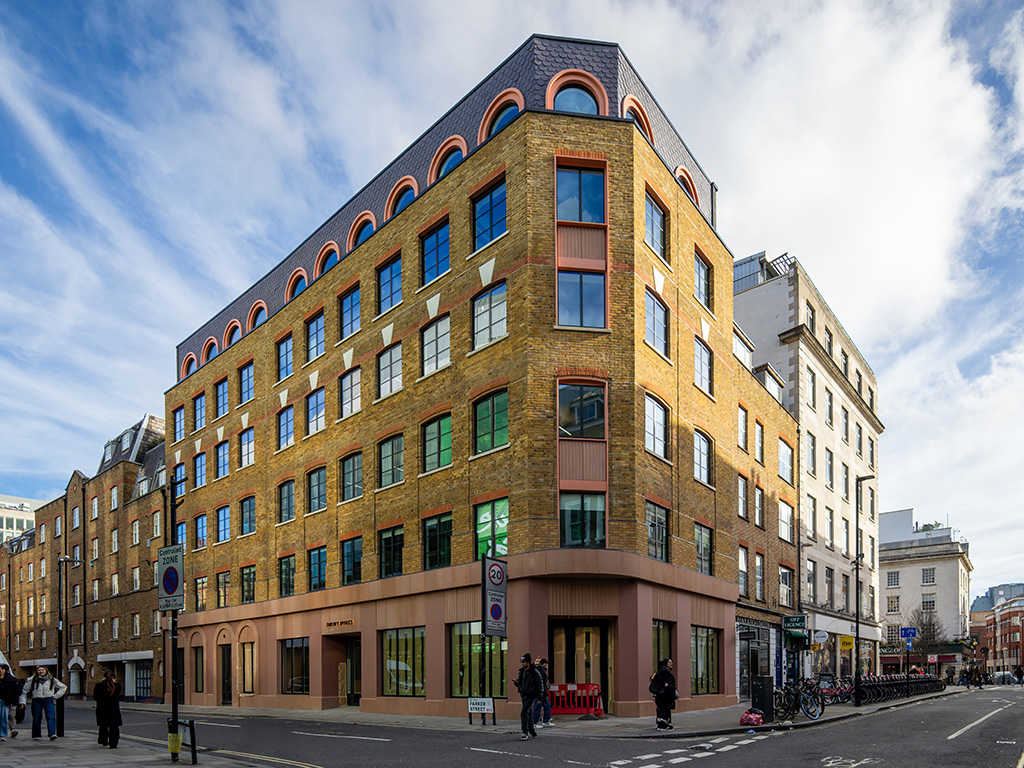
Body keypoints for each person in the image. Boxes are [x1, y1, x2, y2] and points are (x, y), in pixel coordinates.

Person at [19, 665, 67, 741]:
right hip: (36, 700)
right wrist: (22, 702)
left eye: (42, 670)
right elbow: (24, 691)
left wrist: (55, 696)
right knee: (36, 717)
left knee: (51, 717)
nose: (41, 671)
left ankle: (52, 734)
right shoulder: (32, 680)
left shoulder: (52, 679)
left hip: (48, 699)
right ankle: (36, 735)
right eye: (39, 670)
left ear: (46, 671)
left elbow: (63, 687)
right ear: (37, 671)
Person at [513, 653, 541, 741]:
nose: (522, 663)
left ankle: (524, 732)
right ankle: (532, 732)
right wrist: (517, 684)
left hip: (531, 695)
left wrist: (540, 697)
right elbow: (521, 683)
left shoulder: (534, 672)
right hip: (524, 695)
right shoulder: (522, 671)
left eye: (523, 662)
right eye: (522, 662)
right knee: (528, 713)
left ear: (528, 662)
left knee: (524, 712)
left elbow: (540, 684)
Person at [93, 669, 123, 748]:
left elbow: (117, 694)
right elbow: (96, 697)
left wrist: (113, 688)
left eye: (112, 676)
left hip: (114, 710)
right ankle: (104, 740)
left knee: (114, 727)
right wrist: (107, 694)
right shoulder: (99, 685)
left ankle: (113, 744)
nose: (111, 677)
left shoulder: (117, 685)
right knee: (103, 727)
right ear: (106, 676)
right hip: (103, 709)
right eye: (110, 676)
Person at [649, 658, 676, 730]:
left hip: (662, 694)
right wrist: (666, 685)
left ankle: (665, 724)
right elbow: (664, 682)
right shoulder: (665, 671)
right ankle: (662, 725)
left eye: (671, 662)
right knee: (664, 710)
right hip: (664, 695)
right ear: (666, 663)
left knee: (663, 709)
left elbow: (652, 678)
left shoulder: (662, 671)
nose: (671, 663)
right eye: (669, 662)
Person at [532, 658, 552, 728]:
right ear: (544, 664)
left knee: (547, 706)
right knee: (537, 707)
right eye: (546, 664)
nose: (547, 666)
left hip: (542, 692)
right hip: (539, 693)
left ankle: (545, 721)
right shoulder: (539, 671)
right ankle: (534, 723)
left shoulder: (542, 671)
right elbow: (540, 683)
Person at [0, 665, 18, 741]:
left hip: (5, 701)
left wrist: (13, 701)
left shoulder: (11, 679)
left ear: (4, 670)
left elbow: (14, 692)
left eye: (0, 669)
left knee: (3, 717)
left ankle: (2, 735)